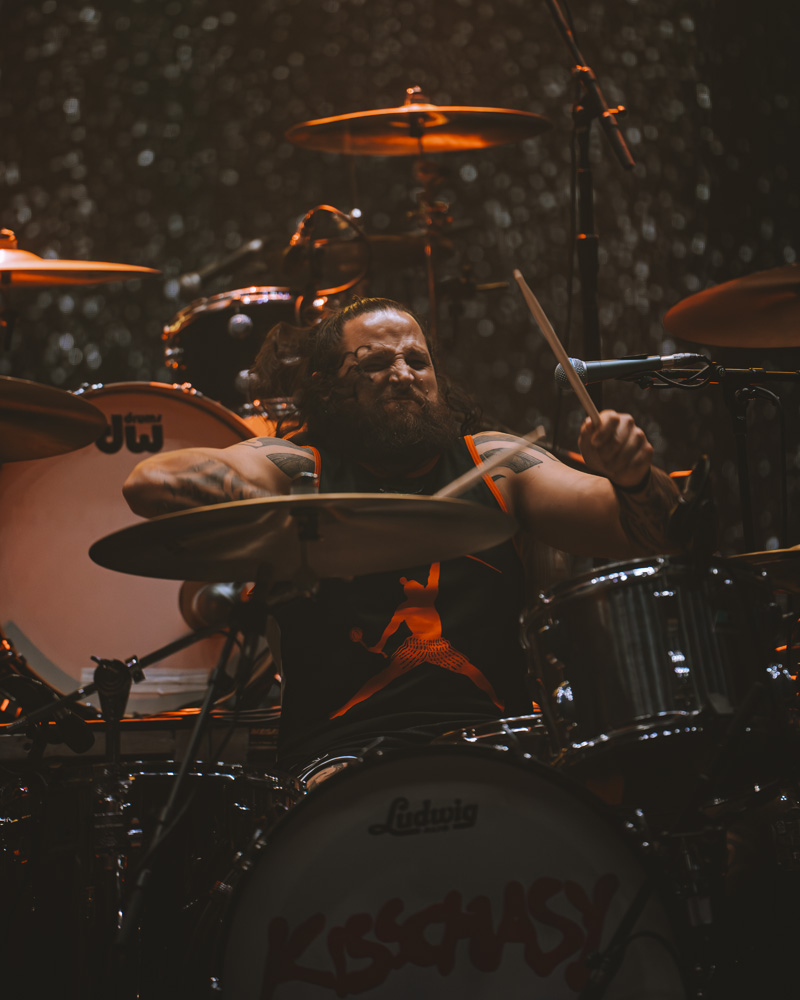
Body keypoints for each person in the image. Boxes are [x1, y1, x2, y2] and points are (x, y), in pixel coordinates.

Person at [123, 297, 681, 775]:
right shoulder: (299, 465)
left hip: (497, 758)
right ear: (327, 386)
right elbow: (150, 481)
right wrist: (281, 517)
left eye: (417, 360)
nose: (403, 374)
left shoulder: (493, 463)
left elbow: (650, 530)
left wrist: (633, 477)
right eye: (374, 363)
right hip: (337, 766)